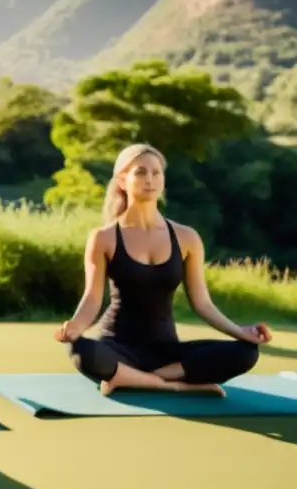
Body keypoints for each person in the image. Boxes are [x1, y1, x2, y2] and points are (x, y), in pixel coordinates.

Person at [56, 143, 270, 396]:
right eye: (141, 172)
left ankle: (132, 378)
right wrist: (75, 329)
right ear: (122, 181)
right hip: (118, 347)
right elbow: (93, 297)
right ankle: (173, 384)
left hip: (167, 353)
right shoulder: (104, 237)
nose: (150, 179)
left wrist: (241, 332)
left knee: (245, 352)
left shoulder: (186, 237)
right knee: (80, 350)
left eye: (156, 173)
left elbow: (202, 304)